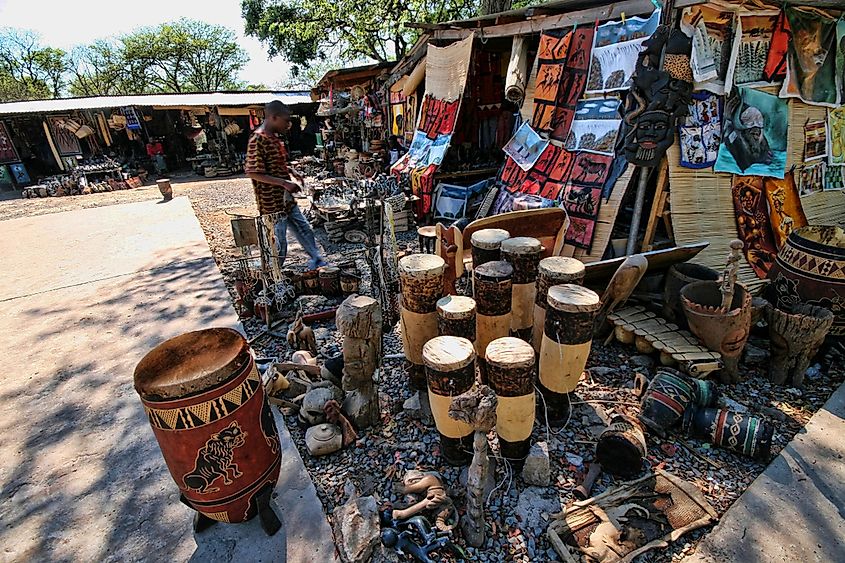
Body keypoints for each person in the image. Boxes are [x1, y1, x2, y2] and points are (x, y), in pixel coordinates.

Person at [245, 101, 327, 270]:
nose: (288, 125)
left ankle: (317, 259)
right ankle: (271, 277)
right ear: (274, 117)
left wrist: (291, 172)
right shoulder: (257, 139)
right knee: (279, 244)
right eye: (285, 120)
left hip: (286, 201)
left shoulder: (274, 139)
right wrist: (284, 183)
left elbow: (274, 165)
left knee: (305, 229)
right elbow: (253, 172)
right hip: (272, 205)